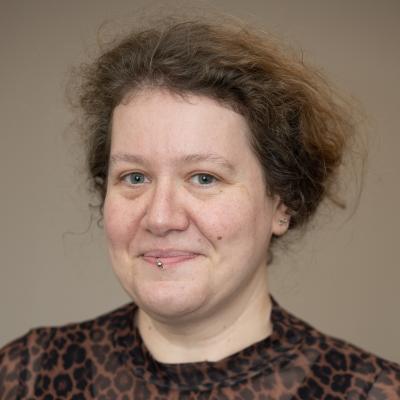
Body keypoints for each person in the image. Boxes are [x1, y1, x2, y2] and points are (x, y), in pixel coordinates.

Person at [1, 17, 399, 400]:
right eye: (135, 177)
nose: (160, 218)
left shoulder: (368, 390)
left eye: (204, 178)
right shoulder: (26, 377)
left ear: (283, 202)